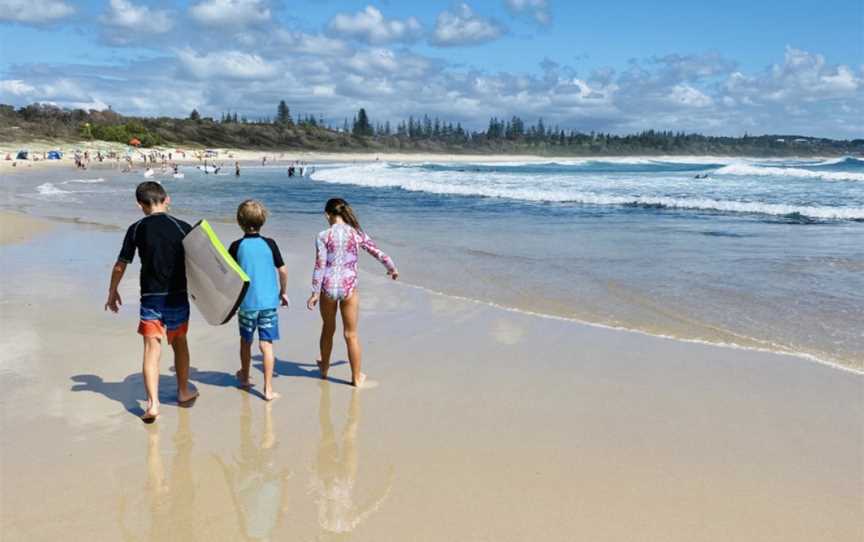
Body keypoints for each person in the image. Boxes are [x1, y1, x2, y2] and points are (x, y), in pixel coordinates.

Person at [104, 181, 197, 422]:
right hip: (177, 295)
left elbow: (120, 265)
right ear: (167, 199)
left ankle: (153, 404)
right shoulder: (183, 227)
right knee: (180, 343)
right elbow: (201, 264)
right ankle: (184, 391)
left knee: (151, 349)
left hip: (150, 298)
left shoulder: (136, 229)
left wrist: (112, 291)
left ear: (140, 205)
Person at [306, 198, 398, 387]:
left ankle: (324, 369)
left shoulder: (323, 235)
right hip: (349, 288)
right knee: (351, 335)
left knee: (328, 329)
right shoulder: (357, 233)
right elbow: (378, 253)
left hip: (328, 288)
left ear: (327, 214)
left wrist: (315, 292)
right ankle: (356, 377)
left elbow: (320, 265)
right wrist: (391, 268)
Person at [229, 200, 289, 401]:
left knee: (246, 342)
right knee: (267, 345)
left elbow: (229, 275)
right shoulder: (270, 244)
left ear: (239, 221)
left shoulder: (236, 246)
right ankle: (268, 389)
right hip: (269, 303)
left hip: (246, 304)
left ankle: (245, 377)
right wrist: (283, 292)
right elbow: (283, 270)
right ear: (263, 220)